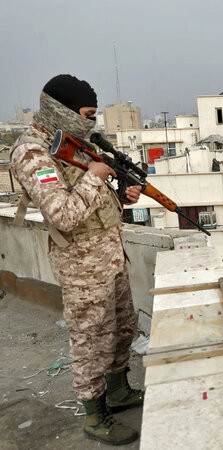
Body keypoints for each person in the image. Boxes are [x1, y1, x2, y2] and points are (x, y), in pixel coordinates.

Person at [9, 74, 143, 445]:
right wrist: (95, 178)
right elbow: (63, 215)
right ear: (61, 110)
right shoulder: (32, 152)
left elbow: (91, 198)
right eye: (86, 115)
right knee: (91, 341)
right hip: (82, 265)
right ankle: (96, 416)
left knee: (121, 327)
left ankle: (118, 392)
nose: (91, 123)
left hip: (110, 255)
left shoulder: (71, 141)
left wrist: (122, 196)